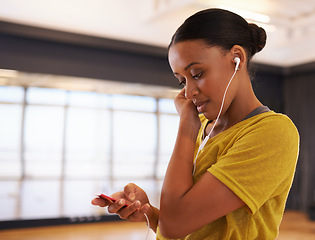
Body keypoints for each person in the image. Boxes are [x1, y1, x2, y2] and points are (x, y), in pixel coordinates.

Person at [91, 8, 299, 239]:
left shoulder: (272, 132)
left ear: (236, 58)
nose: (188, 92)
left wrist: (186, 129)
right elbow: (189, 225)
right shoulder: (202, 126)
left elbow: (174, 226)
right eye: (182, 80)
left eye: (197, 74)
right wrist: (150, 213)